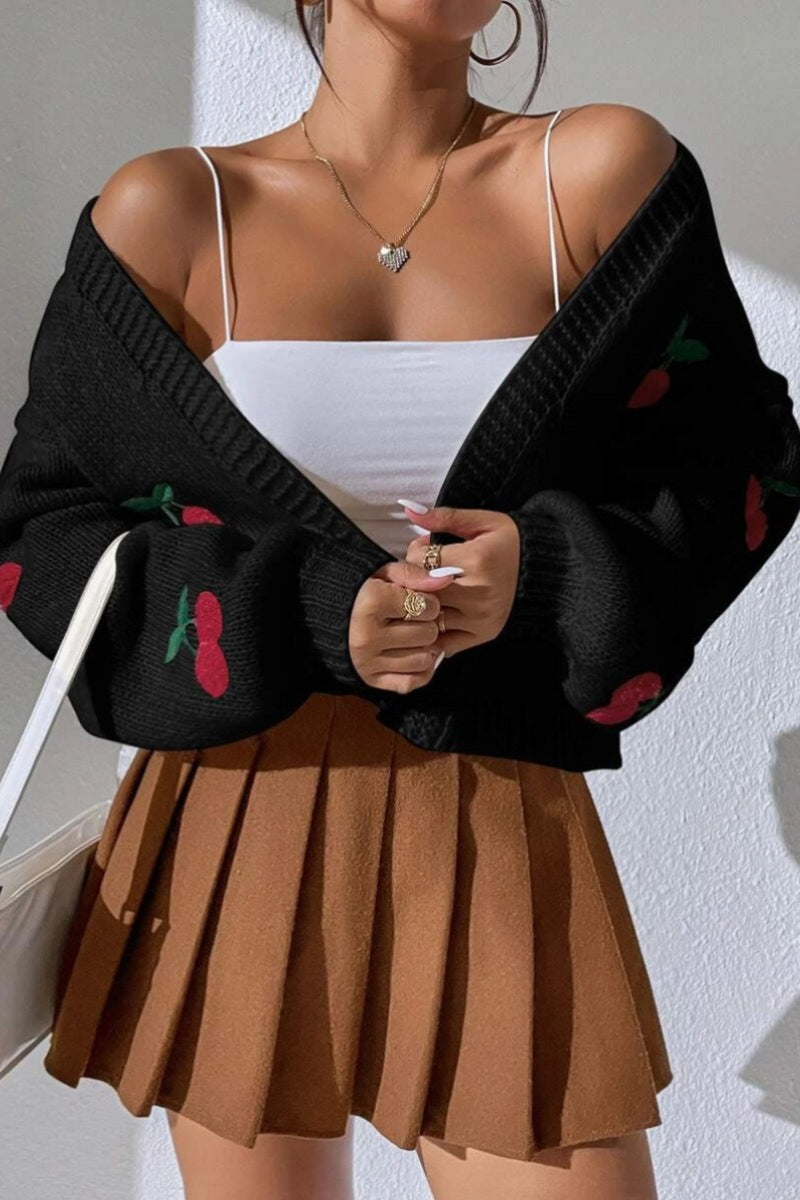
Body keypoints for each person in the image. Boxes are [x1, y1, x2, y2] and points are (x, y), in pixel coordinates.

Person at [10, 3, 778, 1199]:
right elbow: (44, 528)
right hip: (234, 817)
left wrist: (546, 570)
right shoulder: (173, 208)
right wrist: (300, 614)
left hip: (492, 808)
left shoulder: (594, 172)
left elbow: (739, 464)